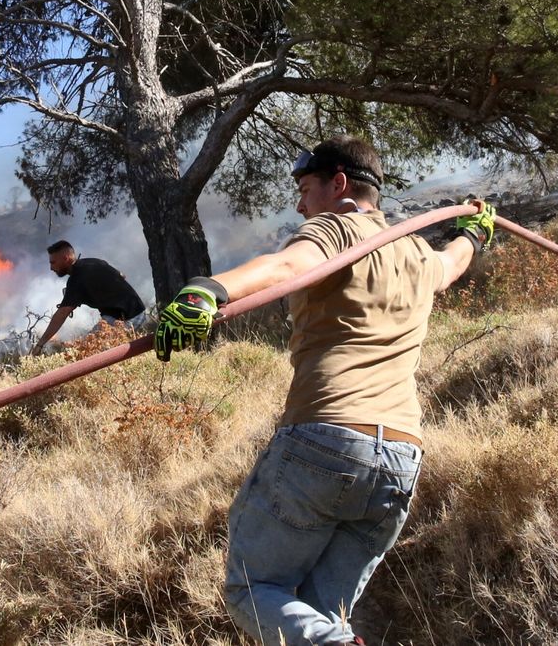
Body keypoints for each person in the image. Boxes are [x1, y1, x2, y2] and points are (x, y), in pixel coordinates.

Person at [155, 135, 495, 645]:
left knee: (253, 589)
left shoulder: (337, 228)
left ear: (339, 184)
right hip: (400, 458)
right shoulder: (418, 252)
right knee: (316, 616)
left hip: (327, 439)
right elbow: (450, 267)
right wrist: (472, 234)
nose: (299, 204)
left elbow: (290, 267)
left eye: (305, 188)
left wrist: (208, 289)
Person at [30, 240, 148, 355]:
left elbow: (62, 314)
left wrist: (40, 344)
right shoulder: (92, 262)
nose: (51, 268)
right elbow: (121, 275)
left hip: (127, 318)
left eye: (53, 262)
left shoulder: (76, 279)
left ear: (66, 258)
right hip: (137, 312)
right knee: (90, 346)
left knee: (87, 352)